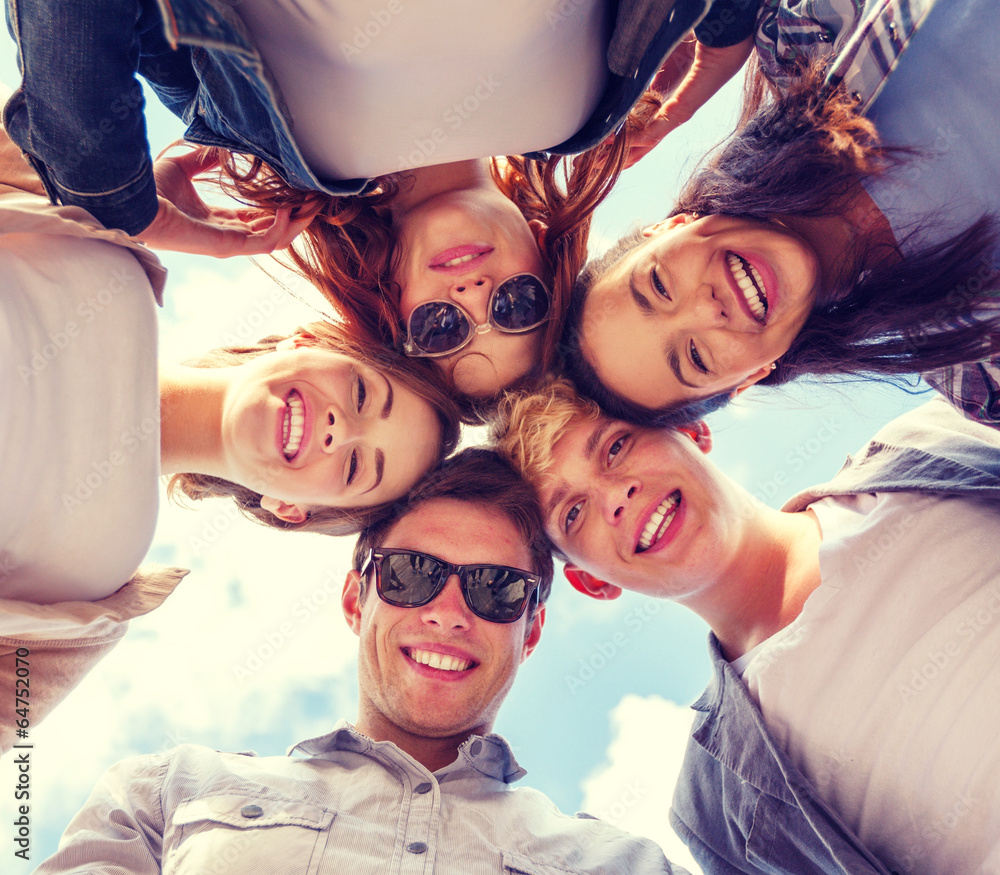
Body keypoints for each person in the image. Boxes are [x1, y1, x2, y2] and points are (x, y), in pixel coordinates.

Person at [32, 449, 689, 874]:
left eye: (496, 587)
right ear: (356, 598)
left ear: (531, 627)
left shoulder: (619, 863)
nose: (449, 611)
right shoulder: (165, 794)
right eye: (411, 573)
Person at [492, 376, 1000, 874]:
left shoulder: (943, 434)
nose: (615, 498)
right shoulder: (715, 815)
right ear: (591, 582)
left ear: (691, 431)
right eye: (574, 512)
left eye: (616, 448)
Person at [561, 0, 1000, 429]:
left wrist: (719, 22)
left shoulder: (801, 34)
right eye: (696, 357)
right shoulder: (980, 375)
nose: (705, 309)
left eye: (658, 284)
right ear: (753, 377)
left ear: (671, 227)